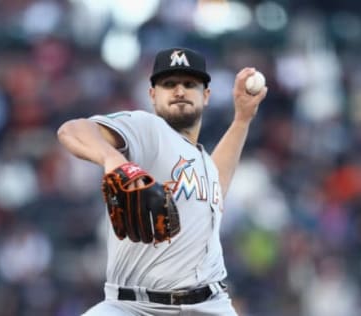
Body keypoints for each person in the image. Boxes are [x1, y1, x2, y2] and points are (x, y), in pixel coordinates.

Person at [57, 47, 267, 315]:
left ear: (206, 95)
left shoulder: (199, 159)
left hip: (210, 305)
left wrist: (242, 120)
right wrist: (114, 161)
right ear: (152, 96)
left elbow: (215, 185)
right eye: (169, 84)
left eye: (189, 84)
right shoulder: (148, 130)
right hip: (132, 306)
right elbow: (72, 130)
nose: (180, 91)